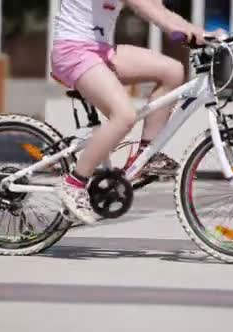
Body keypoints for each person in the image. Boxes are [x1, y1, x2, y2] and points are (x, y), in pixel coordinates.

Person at [51, 0, 218, 224]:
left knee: (173, 71)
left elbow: (158, 8)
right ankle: (74, 183)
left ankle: (146, 154)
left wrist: (201, 34)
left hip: (100, 51)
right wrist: (187, 31)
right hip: (73, 52)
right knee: (124, 116)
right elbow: (148, 9)